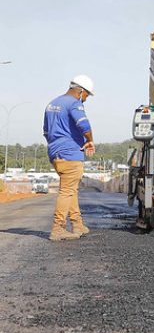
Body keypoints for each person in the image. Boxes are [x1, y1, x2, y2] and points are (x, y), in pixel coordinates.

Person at [42, 75, 96, 242]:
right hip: (70, 154)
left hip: (55, 153)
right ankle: (58, 229)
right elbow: (84, 125)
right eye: (86, 95)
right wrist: (89, 140)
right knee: (66, 191)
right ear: (80, 91)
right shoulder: (74, 103)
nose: (85, 100)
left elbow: (45, 131)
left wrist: (57, 145)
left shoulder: (52, 103)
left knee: (70, 189)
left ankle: (77, 224)